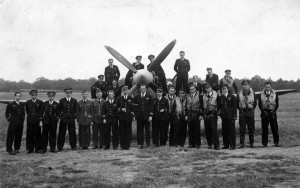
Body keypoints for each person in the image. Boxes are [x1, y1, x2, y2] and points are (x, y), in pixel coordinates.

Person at [258, 81, 280, 147]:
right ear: (264, 87)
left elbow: (277, 104)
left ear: (270, 87)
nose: (267, 88)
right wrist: (264, 111)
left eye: (269, 87)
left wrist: (273, 110)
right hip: (264, 113)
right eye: (266, 87)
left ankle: (276, 142)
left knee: (275, 128)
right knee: (264, 129)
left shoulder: (275, 94)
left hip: (272, 112)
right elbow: (259, 105)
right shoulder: (260, 94)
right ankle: (264, 143)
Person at [237, 80, 257, 148]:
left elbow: (255, 103)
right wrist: (241, 109)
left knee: (251, 128)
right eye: (244, 85)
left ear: (249, 85)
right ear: (242, 86)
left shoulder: (253, 93)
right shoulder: (239, 93)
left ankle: (252, 143)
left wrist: (250, 108)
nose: (245, 86)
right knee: (242, 128)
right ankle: (241, 144)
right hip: (242, 112)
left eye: (247, 85)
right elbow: (237, 103)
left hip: (250, 111)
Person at [200, 83, 220, 150]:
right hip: (206, 114)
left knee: (213, 129)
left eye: (208, 88)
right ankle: (209, 144)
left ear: (211, 88)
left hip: (213, 113)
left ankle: (216, 145)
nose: (207, 89)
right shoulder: (203, 96)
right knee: (207, 129)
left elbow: (219, 104)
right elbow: (202, 106)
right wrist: (202, 114)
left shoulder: (216, 95)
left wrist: (218, 112)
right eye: (206, 88)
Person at [218, 85, 237, 150]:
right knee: (224, 131)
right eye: (223, 89)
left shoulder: (232, 96)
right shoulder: (220, 97)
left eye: (225, 89)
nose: (224, 90)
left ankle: (232, 145)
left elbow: (234, 107)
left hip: (230, 116)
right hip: (224, 116)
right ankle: (226, 145)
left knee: (231, 131)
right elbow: (219, 107)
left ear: (228, 89)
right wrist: (220, 114)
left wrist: (235, 116)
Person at [134, 84, 153, 149]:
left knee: (147, 130)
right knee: (140, 130)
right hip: (139, 117)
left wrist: (150, 115)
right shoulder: (137, 96)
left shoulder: (149, 96)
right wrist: (136, 115)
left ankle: (148, 143)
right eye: (141, 89)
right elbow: (135, 106)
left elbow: (151, 107)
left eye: (144, 89)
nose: (143, 90)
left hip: (147, 116)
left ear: (145, 89)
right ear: (140, 89)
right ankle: (140, 144)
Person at [25, 90, 43, 154]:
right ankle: (30, 148)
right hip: (30, 121)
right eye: (32, 95)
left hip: (37, 121)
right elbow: (27, 111)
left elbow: (41, 112)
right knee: (30, 134)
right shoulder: (28, 102)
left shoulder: (40, 102)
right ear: (30, 95)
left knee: (37, 134)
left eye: (34, 95)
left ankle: (37, 148)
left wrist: (40, 121)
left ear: (36, 95)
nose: (33, 96)